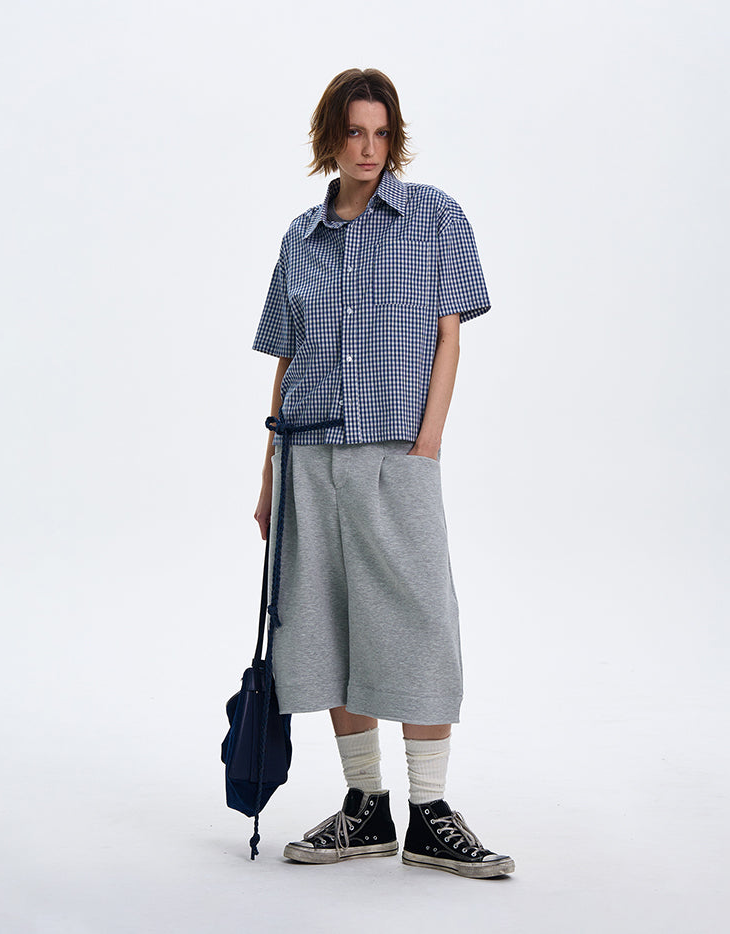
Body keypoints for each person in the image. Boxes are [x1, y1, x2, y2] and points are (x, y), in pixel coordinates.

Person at [251, 67, 514, 879]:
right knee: (324, 625)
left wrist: (427, 446)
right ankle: (365, 807)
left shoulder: (435, 217)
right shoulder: (300, 237)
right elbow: (287, 357)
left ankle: (431, 812)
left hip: (396, 454)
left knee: (418, 623)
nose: (368, 148)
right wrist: (268, 475)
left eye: (381, 132)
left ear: (393, 138)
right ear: (329, 139)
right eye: (353, 133)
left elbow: (450, 336)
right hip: (305, 454)